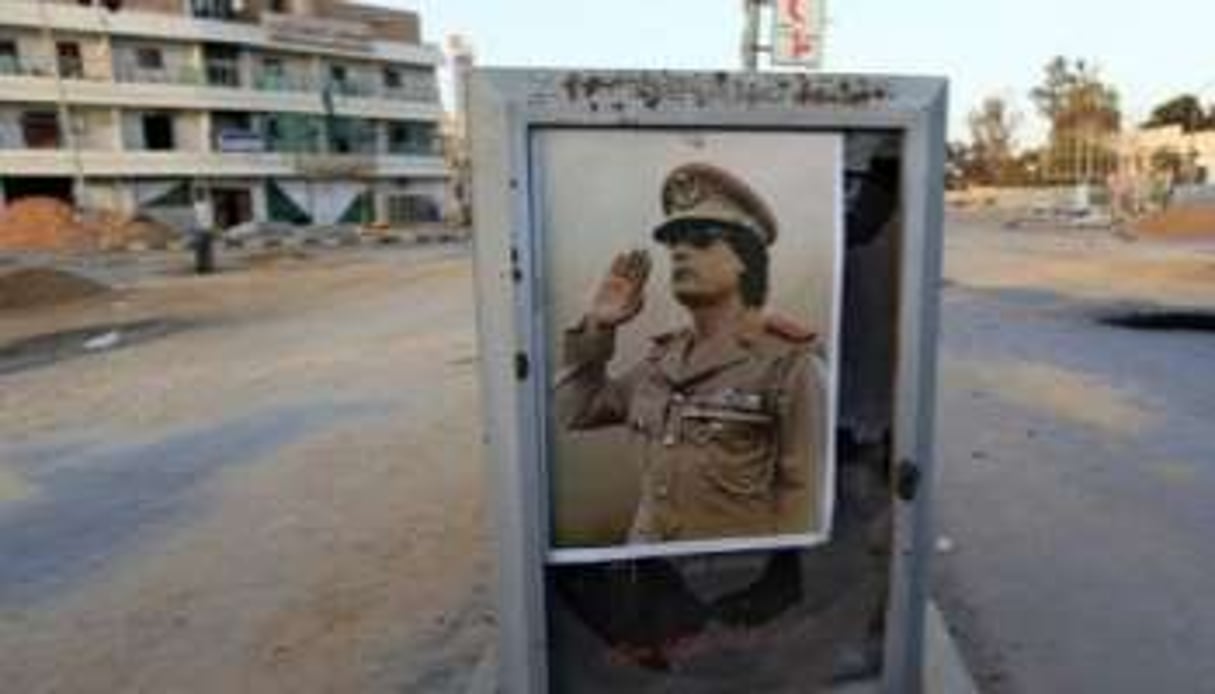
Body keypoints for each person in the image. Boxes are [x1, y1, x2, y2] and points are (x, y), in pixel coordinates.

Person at [556, 162, 828, 544]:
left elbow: (806, 502)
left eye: (701, 240)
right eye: (675, 243)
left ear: (745, 259)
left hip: (732, 584)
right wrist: (599, 325)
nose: (681, 252)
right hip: (649, 574)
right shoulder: (661, 362)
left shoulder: (789, 364)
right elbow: (574, 411)